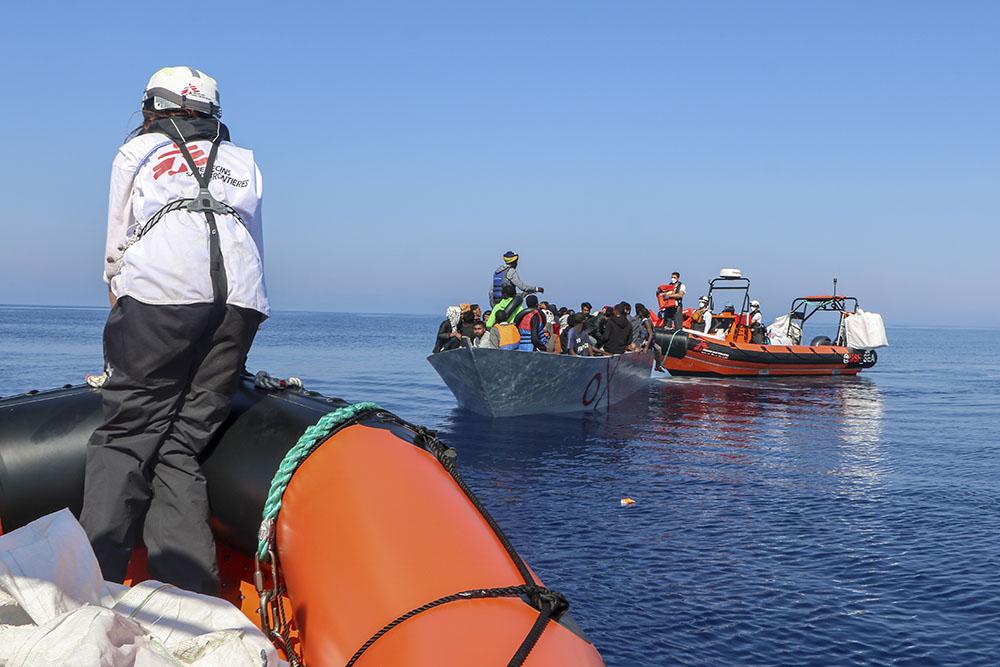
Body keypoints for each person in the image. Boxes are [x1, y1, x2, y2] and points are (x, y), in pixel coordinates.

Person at [79, 67, 267, 595]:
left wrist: (118, 307)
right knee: (181, 443)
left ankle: (96, 583)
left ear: (151, 109)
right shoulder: (245, 162)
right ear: (213, 113)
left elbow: (116, 247)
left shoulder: (135, 153)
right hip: (241, 304)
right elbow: (254, 241)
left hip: (161, 298)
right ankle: (188, 593)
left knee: (124, 438)